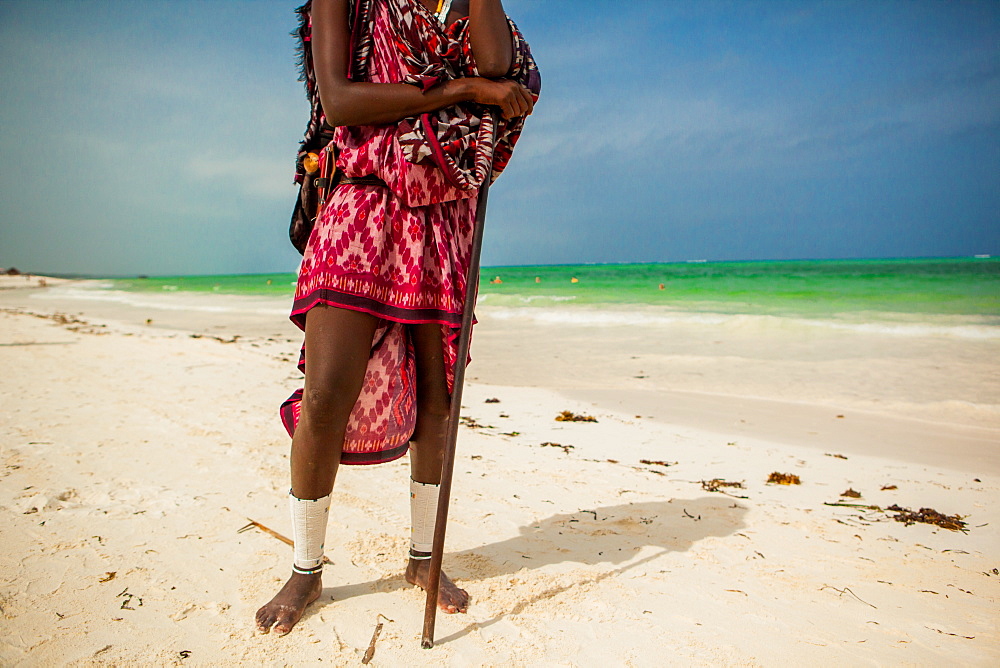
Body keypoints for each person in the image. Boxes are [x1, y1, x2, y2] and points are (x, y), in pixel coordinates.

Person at [255, 0, 538, 636]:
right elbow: (341, 102)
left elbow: (499, 62)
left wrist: (478, 72)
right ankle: (305, 567)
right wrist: (459, 89)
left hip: (445, 212)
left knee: (439, 401)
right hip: (363, 200)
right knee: (328, 395)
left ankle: (422, 559)